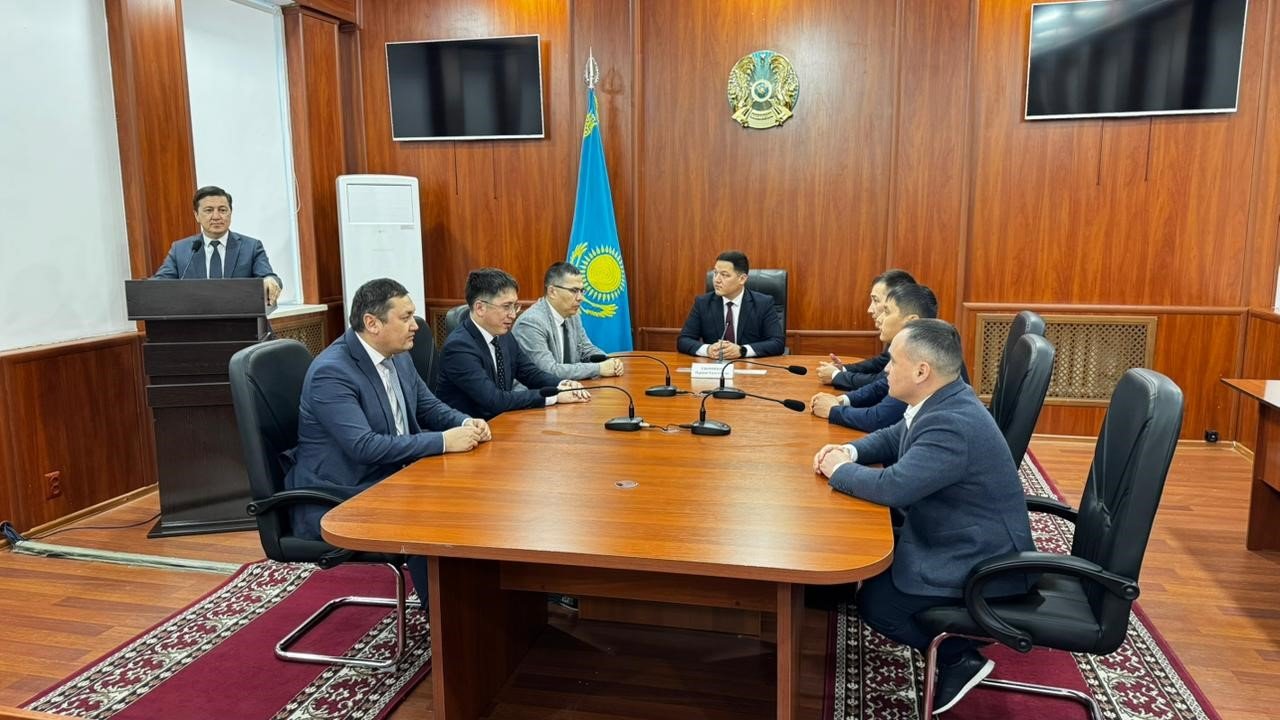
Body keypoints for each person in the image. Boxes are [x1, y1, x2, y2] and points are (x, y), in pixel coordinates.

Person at [812, 319, 1036, 714]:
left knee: (879, 605)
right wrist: (850, 452)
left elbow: (894, 487)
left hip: (981, 558)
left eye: (893, 362)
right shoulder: (942, 400)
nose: (885, 369)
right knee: (872, 556)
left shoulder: (951, 424)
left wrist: (840, 471)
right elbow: (895, 436)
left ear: (921, 371)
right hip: (959, 530)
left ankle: (958, 657)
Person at [285, 278, 490, 603]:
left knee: (473, 488)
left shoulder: (397, 354)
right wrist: (443, 441)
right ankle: (445, 616)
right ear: (372, 323)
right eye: (405, 317)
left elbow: (428, 406)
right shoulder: (332, 372)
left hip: (391, 476)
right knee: (431, 511)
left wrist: (466, 422)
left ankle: (486, 595)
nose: (416, 326)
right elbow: (364, 447)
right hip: (342, 493)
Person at [436, 267, 591, 420]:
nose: (512, 315)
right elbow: (494, 400)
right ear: (480, 308)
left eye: (514, 306)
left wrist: (563, 384)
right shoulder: (459, 347)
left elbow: (530, 373)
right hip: (469, 429)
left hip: (502, 421)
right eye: (506, 307)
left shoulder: (503, 335)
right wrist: (553, 396)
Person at [811, 283, 953, 432]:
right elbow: (881, 386)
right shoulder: (914, 347)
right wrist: (841, 400)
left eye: (886, 311)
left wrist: (833, 410)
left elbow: (879, 418)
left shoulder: (926, 355)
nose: (879, 318)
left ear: (912, 321)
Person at [152, 186, 283, 305]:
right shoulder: (180, 249)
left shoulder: (251, 247)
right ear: (196, 215)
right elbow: (159, 284)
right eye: (209, 210)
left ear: (230, 213)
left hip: (241, 320)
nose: (216, 216)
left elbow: (270, 277)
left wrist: (270, 280)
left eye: (222, 210)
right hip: (195, 320)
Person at [512, 262, 623, 380]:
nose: (580, 298)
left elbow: (586, 349)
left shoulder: (572, 316)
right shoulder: (531, 323)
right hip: (537, 390)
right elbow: (548, 371)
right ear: (552, 292)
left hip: (570, 386)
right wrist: (598, 368)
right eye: (574, 291)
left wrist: (608, 361)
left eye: (582, 291)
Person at [817, 269, 916, 390]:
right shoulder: (898, 334)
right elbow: (881, 362)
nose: (869, 309)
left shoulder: (916, 344)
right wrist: (842, 369)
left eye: (876, 300)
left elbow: (882, 383)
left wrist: (836, 376)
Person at [677, 250, 784, 359]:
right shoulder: (703, 303)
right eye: (715, 273)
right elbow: (684, 340)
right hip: (714, 366)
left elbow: (777, 343)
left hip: (750, 366)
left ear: (742, 279)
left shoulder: (763, 303)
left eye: (724, 275)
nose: (716, 280)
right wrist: (708, 350)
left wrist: (742, 350)